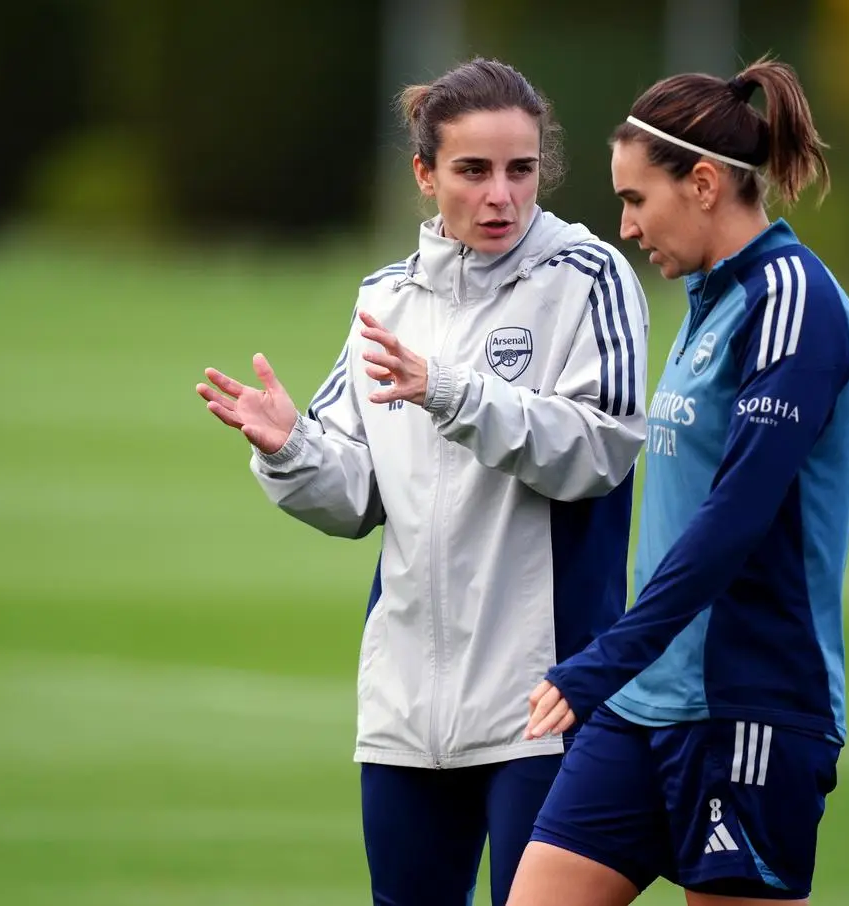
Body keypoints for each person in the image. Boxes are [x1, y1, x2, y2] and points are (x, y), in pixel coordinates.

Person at [194, 57, 649, 906]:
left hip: (543, 702)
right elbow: (361, 495)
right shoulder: (386, 300)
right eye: (473, 171)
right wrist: (291, 448)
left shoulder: (588, 279)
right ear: (424, 173)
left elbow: (601, 449)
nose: (500, 195)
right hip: (406, 709)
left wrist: (451, 390)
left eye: (520, 169)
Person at [509, 55, 849, 906]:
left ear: (703, 183)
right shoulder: (711, 299)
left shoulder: (792, 300)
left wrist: (600, 660)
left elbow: (735, 519)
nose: (627, 226)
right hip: (644, 703)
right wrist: (622, 669)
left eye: (637, 199)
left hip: (749, 706)